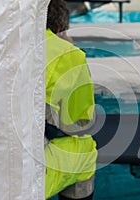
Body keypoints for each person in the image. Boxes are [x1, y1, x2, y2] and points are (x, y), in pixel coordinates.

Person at [44, 0, 97, 199]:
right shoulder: (67, 55)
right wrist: (69, 52)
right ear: (59, 26)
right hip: (27, 163)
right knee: (85, 150)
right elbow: (79, 123)